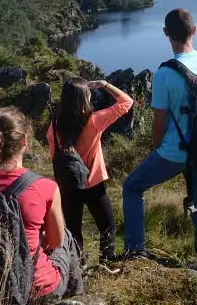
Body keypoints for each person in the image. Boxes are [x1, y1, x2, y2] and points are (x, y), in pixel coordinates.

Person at [0, 106, 83, 301]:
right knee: (67, 237)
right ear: (25, 142)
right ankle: (76, 297)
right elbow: (55, 243)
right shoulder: (45, 187)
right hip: (34, 289)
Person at [122, 8, 197, 260]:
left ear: (166, 33)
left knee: (132, 187)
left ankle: (135, 250)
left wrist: (156, 148)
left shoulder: (165, 73)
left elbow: (159, 120)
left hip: (175, 151)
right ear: (194, 30)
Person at [47, 77, 133, 264]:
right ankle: (106, 261)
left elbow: (54, 157)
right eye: (88, 93)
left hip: (68, 185)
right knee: (107, 224)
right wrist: (104, 84)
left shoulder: (54, 126)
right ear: (83, 98)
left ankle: (77, 267)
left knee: (73, 229)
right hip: (93, 182)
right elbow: (127, 102)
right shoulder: (94, 121)